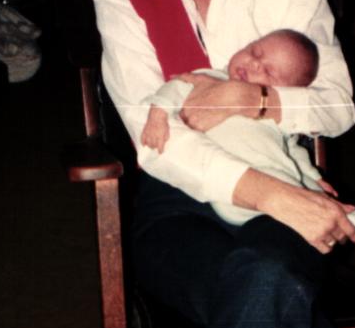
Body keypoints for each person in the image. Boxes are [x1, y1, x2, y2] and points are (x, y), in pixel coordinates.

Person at [94, 0, 355, 328]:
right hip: (177, 203)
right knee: (293, 325)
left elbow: (337, 104)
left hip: (281, 189)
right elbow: (154, 141)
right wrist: (273, 195)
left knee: (273, 290)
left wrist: (256, 100)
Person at [141, 28, 341, 225]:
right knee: (293, 195)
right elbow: (176, 86)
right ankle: (322, 210)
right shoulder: (209, 79)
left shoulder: (271, 112)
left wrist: (313, 177)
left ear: (281, 91)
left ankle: (334, 211)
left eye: (268, 72)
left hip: (279, 174)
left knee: (302, 188)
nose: (255, 64)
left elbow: (293, 151)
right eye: (254, 52)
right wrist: (158, 115)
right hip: (235, 183)